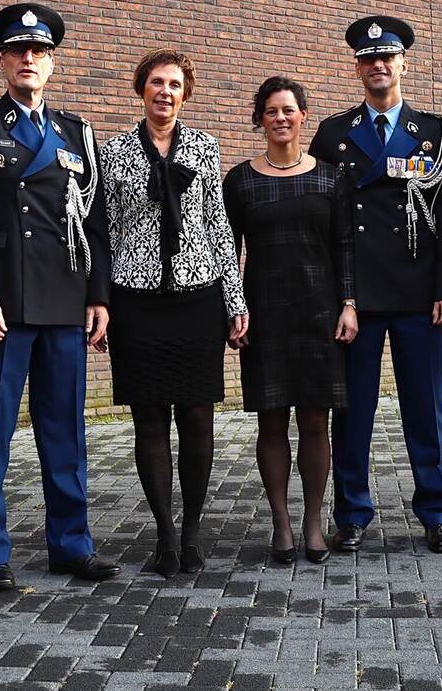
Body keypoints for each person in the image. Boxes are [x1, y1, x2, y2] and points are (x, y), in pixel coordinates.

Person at [0, 2, 119, 591]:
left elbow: (94, 222)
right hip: (4, 303)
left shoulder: (76, 132)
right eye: (18, 50)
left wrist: (97, 296)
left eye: (39, 51)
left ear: (52, 63)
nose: (29, 59)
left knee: (66, 431)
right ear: (3, 60)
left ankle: (71, 546)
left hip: (65, 300)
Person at [309, 15, 442, 555]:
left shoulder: (437, 133)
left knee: (426, 409)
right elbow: (326, 217)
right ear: (358, 69)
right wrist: (336, 296)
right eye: (368, 59)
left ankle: (438, 513)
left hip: (419, 294)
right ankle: (352, 513)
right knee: (352, 412)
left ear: (403, 64)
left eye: (387, 57)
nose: (378, 65)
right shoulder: (334, 133)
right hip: (357, 296)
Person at [99, 49, 248, 578]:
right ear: (141, 89)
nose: (166, 91)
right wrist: (101, 303)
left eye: (175, 84)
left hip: (196, 299)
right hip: (136, 302)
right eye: (157, 82)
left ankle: (192, 531)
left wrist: (235, 300)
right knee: (149, 419)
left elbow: (218, 227)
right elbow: (105, 232)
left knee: (197, 417)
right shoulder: (113, 152)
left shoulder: (205, 147)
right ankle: (164, 533)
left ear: (186, 94)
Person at [223, 76, 357, 566]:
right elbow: (226, 250)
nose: (280, 118)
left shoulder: (330, 178)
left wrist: (349, 303)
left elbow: (345, 245)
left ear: (303, 117)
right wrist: (233, 309)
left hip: (320, 312)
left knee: (316, 422)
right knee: (272, 420)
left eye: (288, 110)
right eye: (271, 111)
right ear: (259, 119)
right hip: (265, 314)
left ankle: (313, 523)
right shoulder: (240, 181)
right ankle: (281, 522)